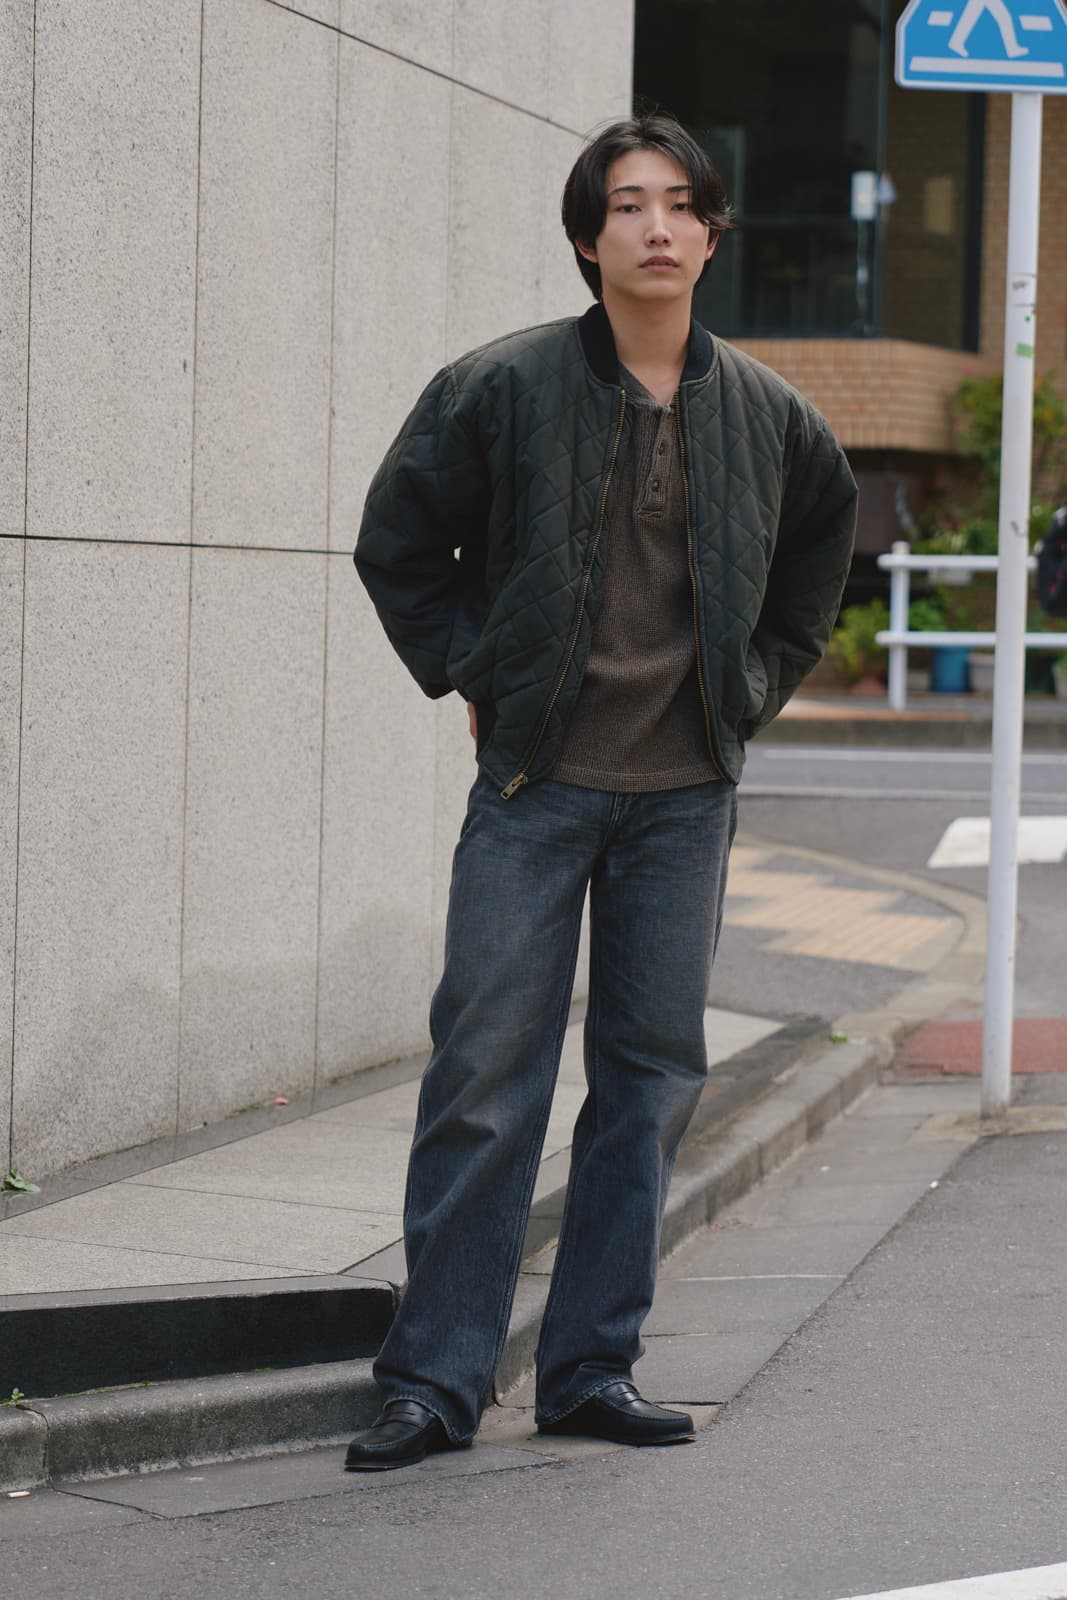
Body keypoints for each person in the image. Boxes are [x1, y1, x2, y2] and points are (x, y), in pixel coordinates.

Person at [346, 112, 858, 1471]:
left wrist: (747, 690)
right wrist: (477, 672)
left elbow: (821, 551)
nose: (656, 226)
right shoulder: (500, 389)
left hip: (685, 793)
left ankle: (589, 1367)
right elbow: (399, 543)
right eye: (627, 205)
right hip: (537, 784)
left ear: (713, 232)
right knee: (485, 1079)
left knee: (645, 1082)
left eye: (681, 204)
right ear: (588, 238)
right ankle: (434, 1384)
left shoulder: (768, 414)